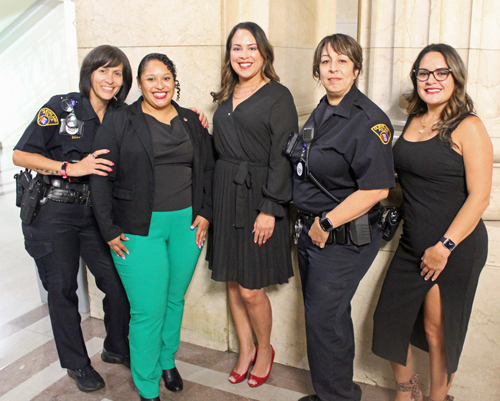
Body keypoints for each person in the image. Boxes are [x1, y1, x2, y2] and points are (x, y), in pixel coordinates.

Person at [90, 53, 214, 401]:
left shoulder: (192, 120)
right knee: (148, 309)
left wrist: (205, 211)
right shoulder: (120, 121)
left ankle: (166, 360)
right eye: (150, 79)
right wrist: (109, 229)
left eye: (165, 78)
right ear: (139, 84)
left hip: (187, 225)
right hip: (137, 227)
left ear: (175, 81)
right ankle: (146, 386)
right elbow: (100, 177)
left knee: (174, 300)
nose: (159, 85)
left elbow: (206, 169)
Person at [372, 44, 492, 401]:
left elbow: (480, 197)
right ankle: (408, 389)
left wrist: (445, 247)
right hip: (412, 243)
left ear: (455, 77)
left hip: (455, 246)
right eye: (424, 73)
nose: (432, 80)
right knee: (389, 320)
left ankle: (439, 398)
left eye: (441, 73)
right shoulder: (414, 118)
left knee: (437, 330)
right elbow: (405, 178)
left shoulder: (468, 126)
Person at [12, 45, 133, 392]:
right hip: (54, 210)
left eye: (118, 73)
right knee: (62, 289)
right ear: (89, 74)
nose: (110, 79)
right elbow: (21, 154)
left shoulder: (122, 115)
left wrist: (193, 117)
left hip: (96, 213)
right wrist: (70, 167)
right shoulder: (62, 107)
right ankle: (77, 364)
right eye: (103, 71)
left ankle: (116, 347)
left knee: (116, 282)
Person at [290, 34, 395, 401]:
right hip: (312, 233)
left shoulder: (370, 121)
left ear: (356, 69)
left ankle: (338, 397)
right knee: (324, 321)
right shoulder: (322, 109)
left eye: (342, 61)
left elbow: (377, 189)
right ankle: (333, 393)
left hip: (341, 238)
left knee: (325, 321)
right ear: (317, 69)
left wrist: (325, 223)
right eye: (325, 61)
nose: (332, 68)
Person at [208, 22, 298, 387]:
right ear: (229, 55)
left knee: (251, 288)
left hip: (259, 197)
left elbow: (284, 155)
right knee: (232, 281)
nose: (243, 55)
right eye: (236, 48)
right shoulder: (226, 97)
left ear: (264, 53)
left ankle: (265, 349)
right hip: (226, 195)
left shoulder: (279, 95)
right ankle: (244, 349)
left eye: (251, 48)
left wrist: (270, 207)